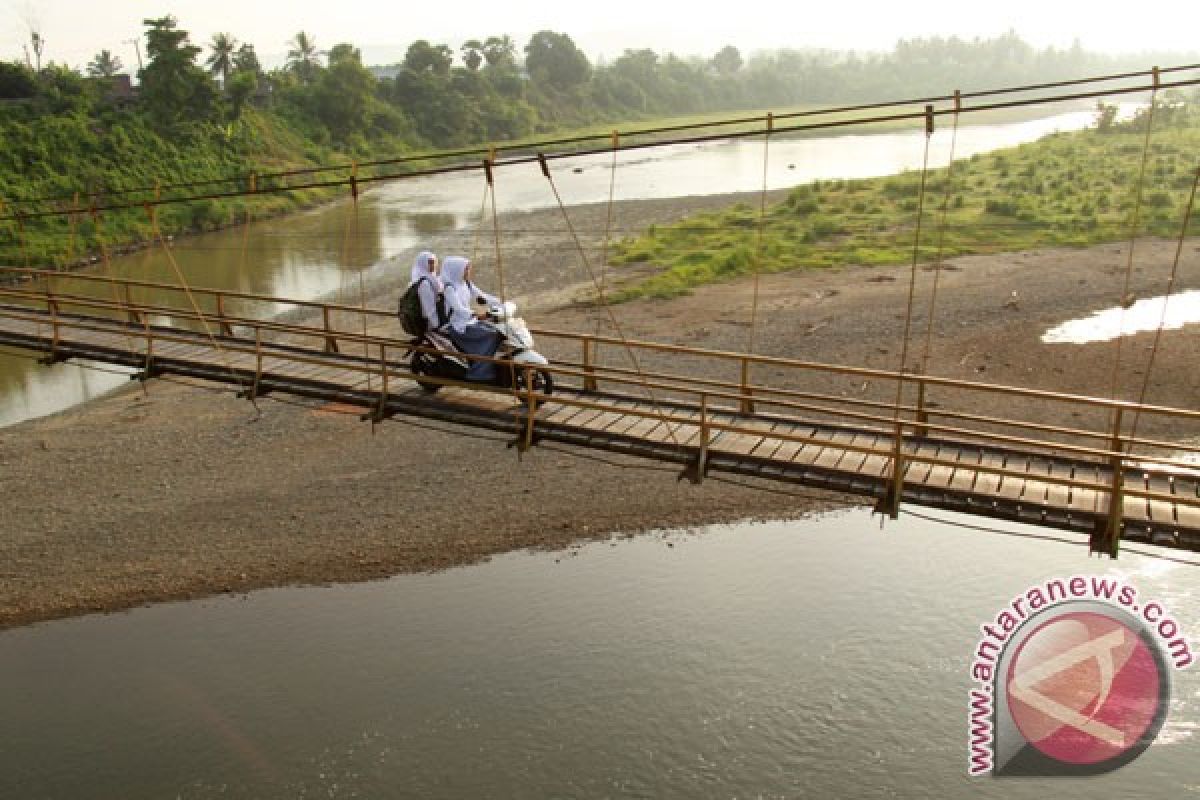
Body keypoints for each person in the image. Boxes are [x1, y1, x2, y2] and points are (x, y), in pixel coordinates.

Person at [439, 256, 502, 381]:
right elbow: (458, 309)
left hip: (469, 322)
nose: (468, 272)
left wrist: (500, 302)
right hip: (458, 326)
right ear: (456, 270)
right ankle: (478, 373)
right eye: (466, 269)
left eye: (468, 269)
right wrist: (475, 314)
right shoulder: (450, 288)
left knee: (498, 330)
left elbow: (481, 295)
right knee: (491, 336)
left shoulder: (466, 283)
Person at [408, 250, 444, 333]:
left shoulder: (426, 277)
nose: (433, 266)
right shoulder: (424, 283)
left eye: (433, 262)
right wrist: (437, 326)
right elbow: (429, 309)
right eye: (430, 263)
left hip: (423, 319)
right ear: (422, 264)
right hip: (427, 322)